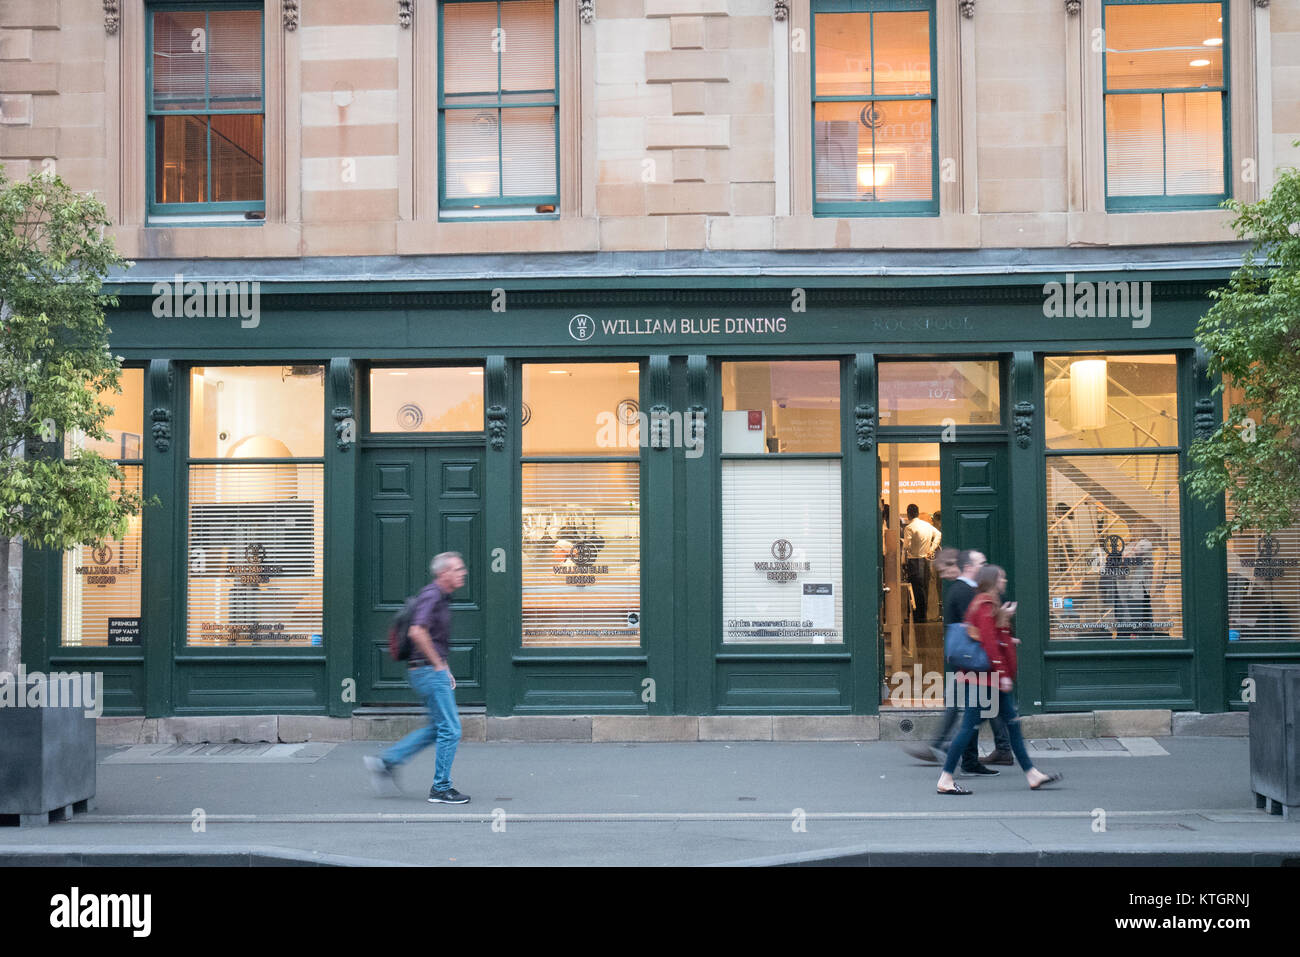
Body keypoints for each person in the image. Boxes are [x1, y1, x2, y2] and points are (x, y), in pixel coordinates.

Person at [936, 564, 1062, 794]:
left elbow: (992, 637)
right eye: (1002, 578)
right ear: (993, 581)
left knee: (1011, 725)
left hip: (988, 680)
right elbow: (989, 644)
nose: (1004, 581)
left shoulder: (988, 605)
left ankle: (1032, 774)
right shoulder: (984, 605)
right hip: (984, 680)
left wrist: (1005, 625)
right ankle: (945, 778)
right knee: (969, 728)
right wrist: (1003, 674)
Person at [364, 552, 470, 804]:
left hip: (426, 670)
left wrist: (444, 666)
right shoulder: (432, 595)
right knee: (451, 729)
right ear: (444, 573)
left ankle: (385, 762)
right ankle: (441, 788)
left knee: (438, 728)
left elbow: (430, 637)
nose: (463, 572)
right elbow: (416, 632)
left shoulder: (441, 598)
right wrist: (438, 666)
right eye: (458, 569)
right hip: (427, 672)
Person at [902, 548, 1011, 771]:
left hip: (972, 660)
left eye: (943, 570)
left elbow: (977, 628)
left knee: (971, 707)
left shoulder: (963, 591)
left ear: (956, 566)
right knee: (984, 706)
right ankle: (991, 751)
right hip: (975, 659)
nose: (942, 576)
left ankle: (949, 750)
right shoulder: (965, 591)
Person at [901, 504, 941, 622]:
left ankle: (918, 616)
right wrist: (932, 549)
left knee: (915, 589)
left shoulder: (909, 527)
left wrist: (903, 561)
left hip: (914, 560)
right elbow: (938, 534)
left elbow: (906, 546)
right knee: (924, 588)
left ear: (908, 514)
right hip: (926, 560)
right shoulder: (927, 525)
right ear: (917, 513)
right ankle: (923, 615)